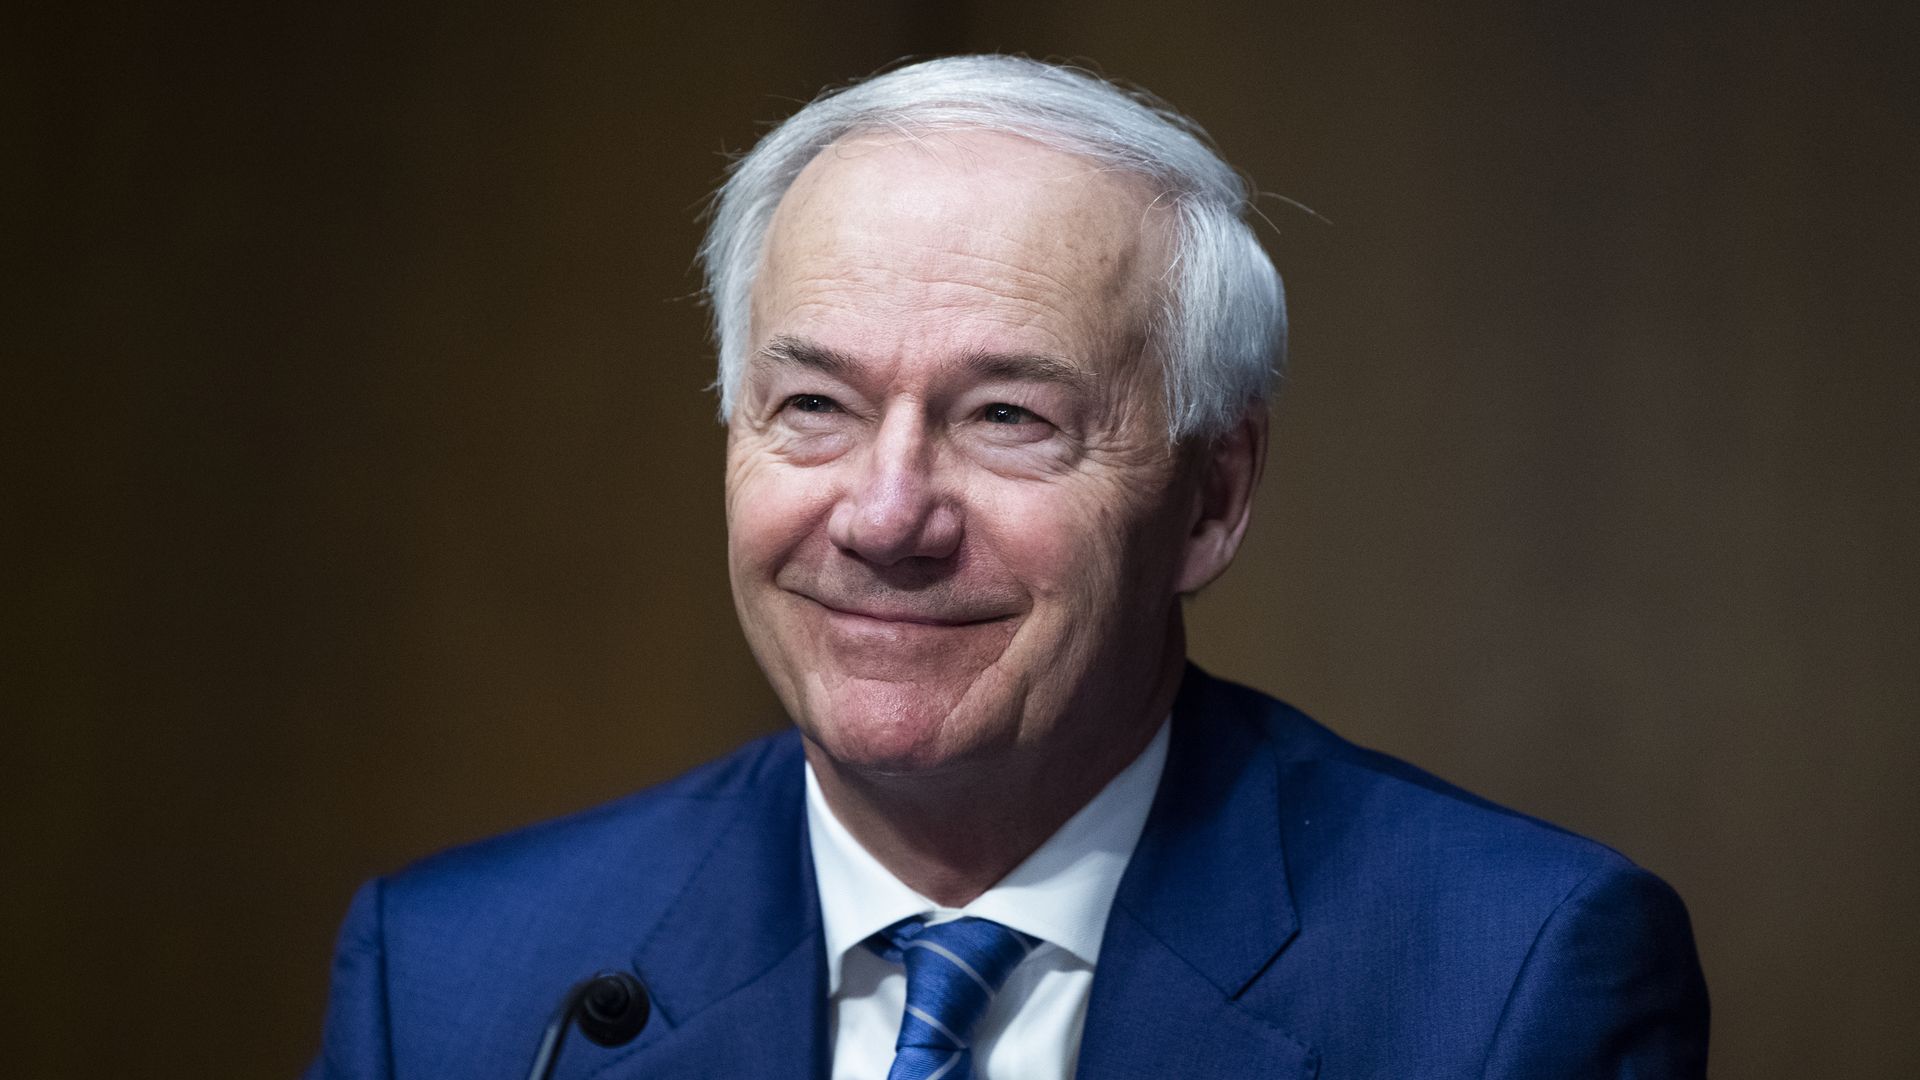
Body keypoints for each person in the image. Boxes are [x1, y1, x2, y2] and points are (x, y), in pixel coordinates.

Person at [307, 55, 1708, 1079]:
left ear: (1212, 498)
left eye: (1008, 419)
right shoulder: (455, 983)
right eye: (814, 408)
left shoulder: (1510, 982)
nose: (886, 515)